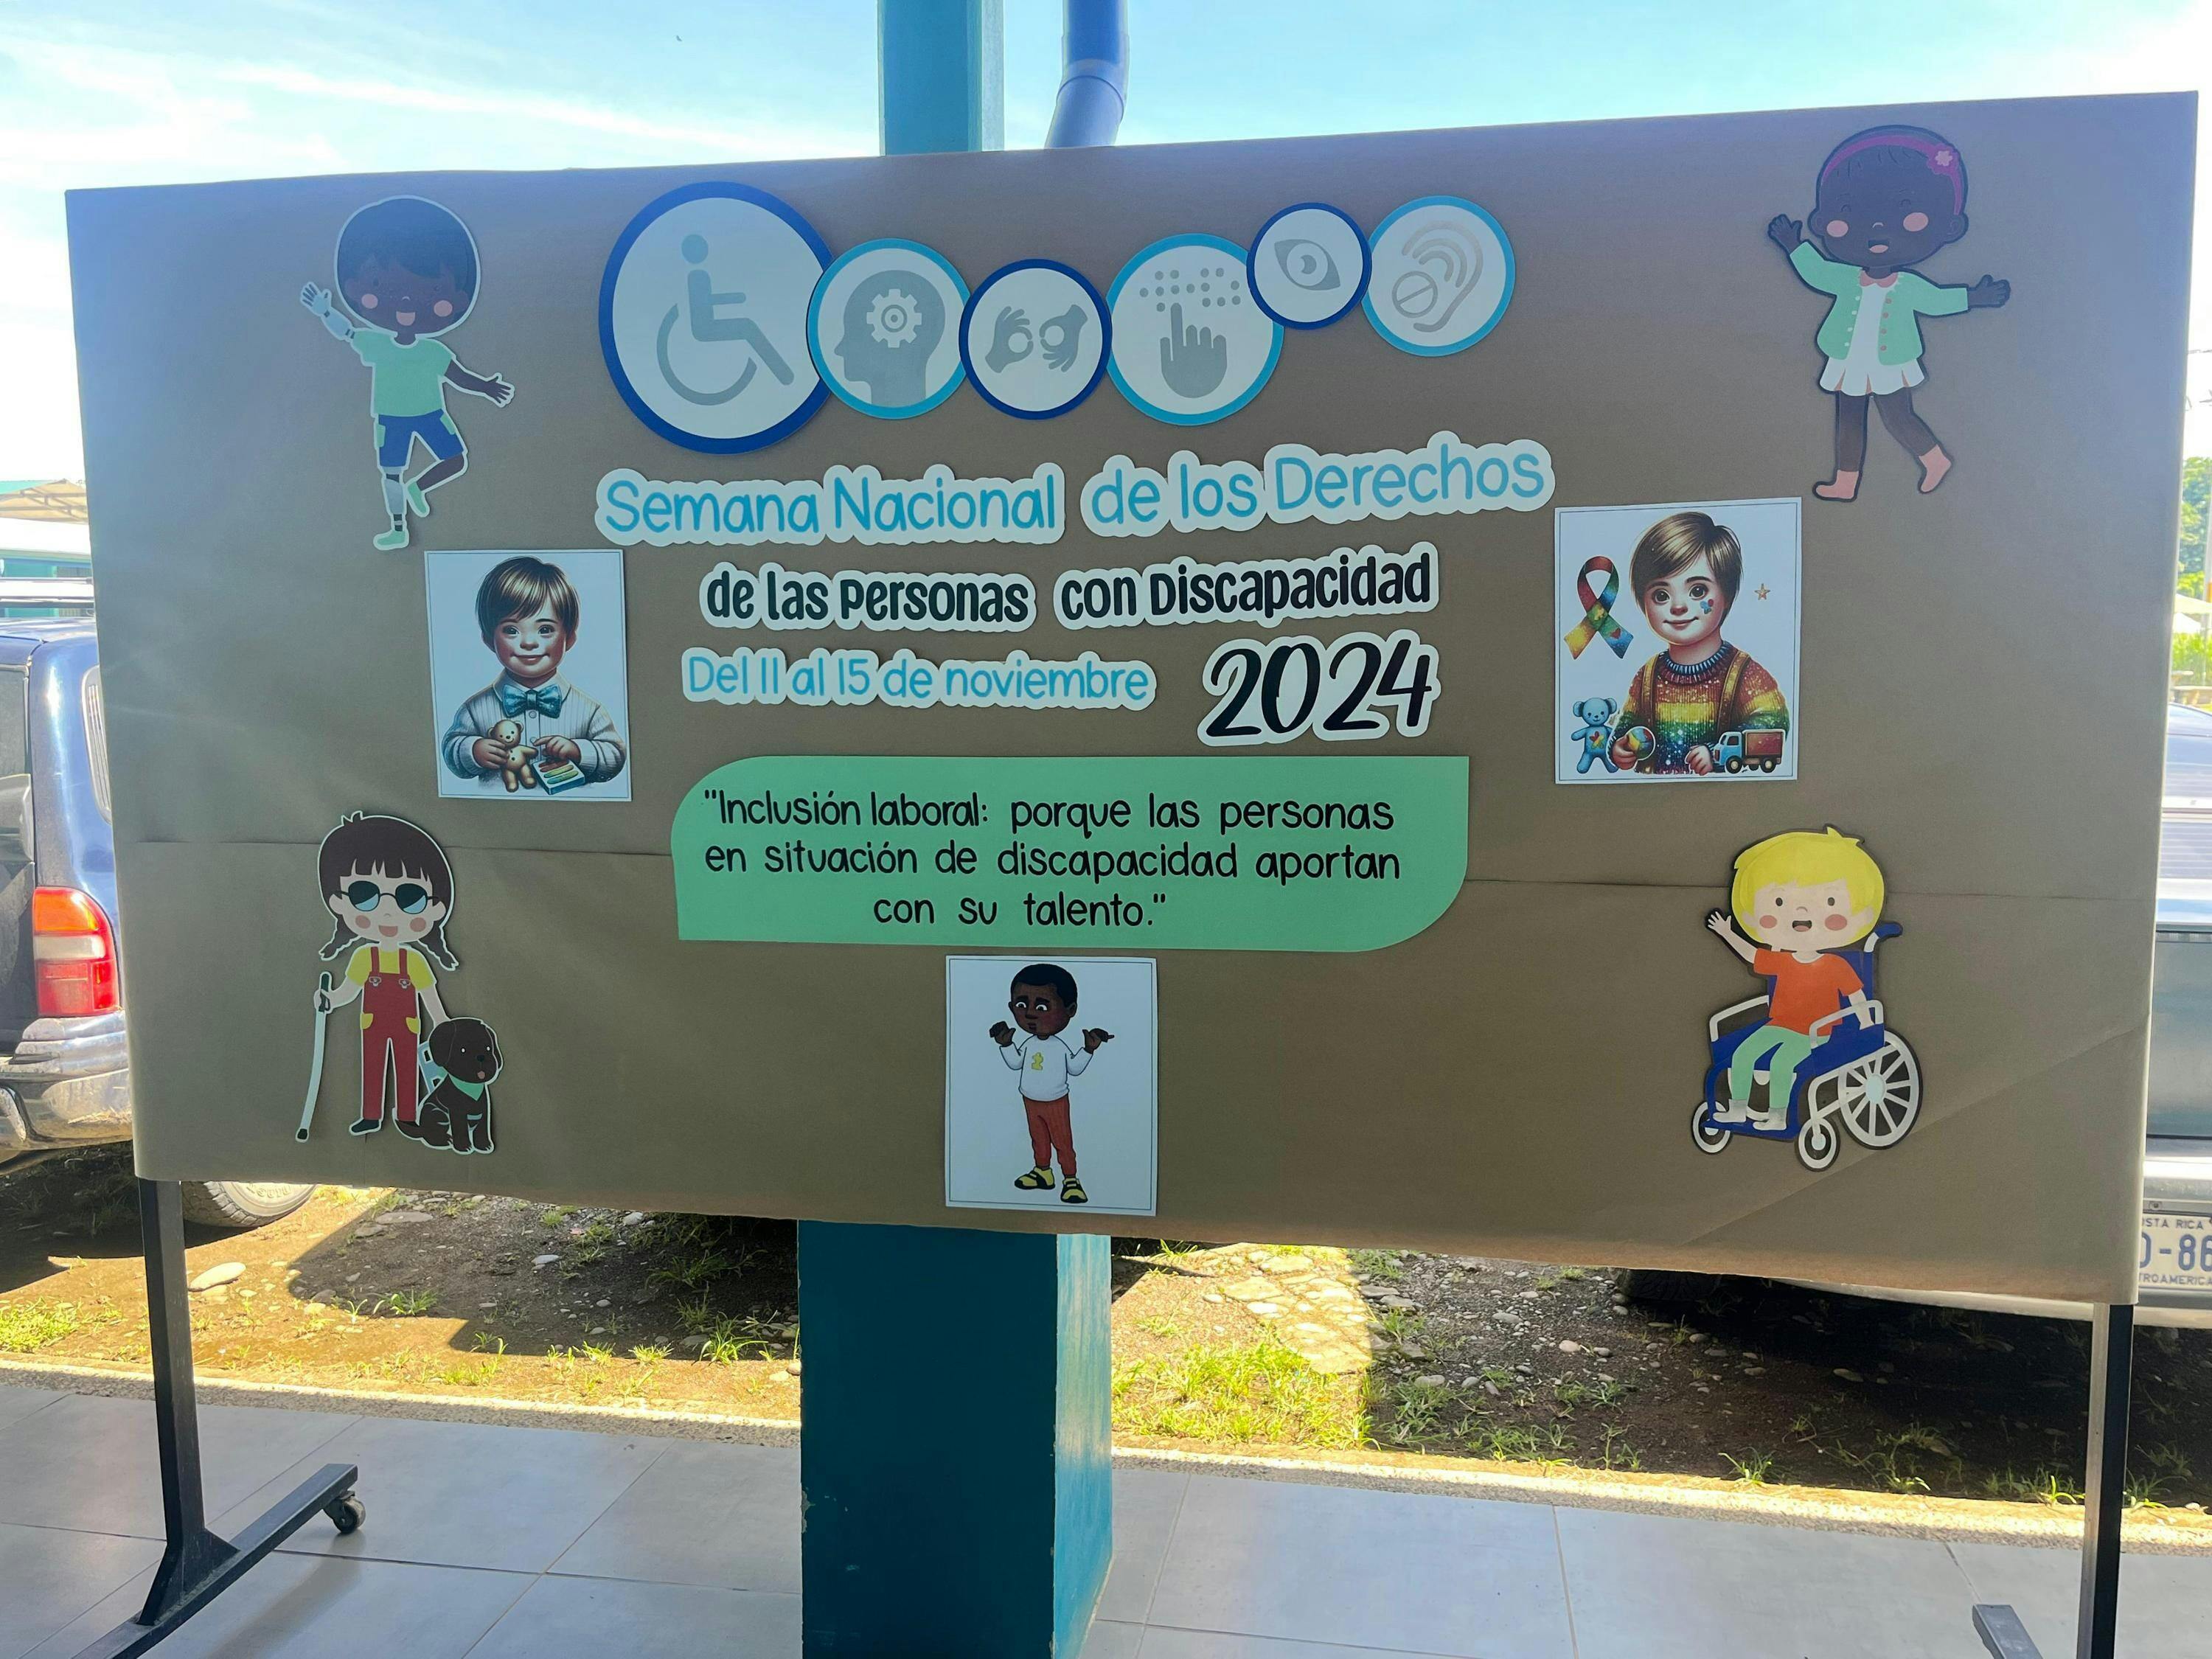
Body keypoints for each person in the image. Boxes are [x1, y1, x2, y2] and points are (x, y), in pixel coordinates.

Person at [1767, 125, 2009, 501]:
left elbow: (1937, 301)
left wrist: (1975, 298)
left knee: (1897, 415)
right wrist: (1794, 246)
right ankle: (1845, 481)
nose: (1877, 227)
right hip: (1848, 358)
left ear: (1950, 226)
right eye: (1850, 212)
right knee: (1849, 418)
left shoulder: (1908, 285)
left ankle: (1934, 459)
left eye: (1903, 212)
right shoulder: (1846, 278)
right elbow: (1817, 273)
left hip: (1889, 361)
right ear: (1822, 223)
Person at [299, 196, 515, 550]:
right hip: (391, 419)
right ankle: (398, 527)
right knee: (391, 473)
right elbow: (347, 333)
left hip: (431, 414)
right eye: (387, 289)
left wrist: (487, 388)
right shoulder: (376, 343)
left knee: (455, 459)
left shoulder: (434, 351)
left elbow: (459, 377)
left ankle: (418, 487)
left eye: (430, 292)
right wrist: (325, 312)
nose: (405, 303)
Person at [1704, 828, 1885, 1127]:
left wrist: (1866, 1022)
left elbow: (1855, 995)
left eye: (1828, 901)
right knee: (1743, 1054)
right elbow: (1753, 955)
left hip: (1815, 1032)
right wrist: (1727, 933)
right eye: (1780, 902)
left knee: (1782, 1063)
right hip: (1779, 1025)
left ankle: (1777, 1116)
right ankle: (1738, 1109)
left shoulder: (1835, 964)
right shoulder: (1783, 961)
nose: (1801, 911)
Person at [1607, 512, 1788, 776]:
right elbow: (1629, 722)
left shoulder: (1745, 674)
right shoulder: (1647, 675)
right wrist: (1620, 747)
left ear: (1726, 595)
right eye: (1661, 595)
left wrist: (1716, 754)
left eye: (1698, 591)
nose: (1678, 606)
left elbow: (1773, 721)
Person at [315, 813, 456, 1140]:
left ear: (435, 909)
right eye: (365, 895)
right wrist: (329, 999)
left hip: (408, 1026)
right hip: (373, 1024)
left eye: (410, 899)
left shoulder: (415, 960)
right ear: (339, 903)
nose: (389, 912)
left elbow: (431, 999)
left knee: (407, 1067)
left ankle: (408, 1115)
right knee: (372, 1066)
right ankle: (370, 1115)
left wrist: (445, 1027)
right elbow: (349, 991)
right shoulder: (365, 957)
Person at [442, 557, 627, 794]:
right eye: (511, 630)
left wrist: (579, 751)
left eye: (545, 629)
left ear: (569, 638)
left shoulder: (589, 710)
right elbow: (451, 751)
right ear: (489, 639)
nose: (529, 642)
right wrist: (472, 750)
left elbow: (615, 756)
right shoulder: (474, 709)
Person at [990, 963, 1113, 1206]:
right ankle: (1043, 1172)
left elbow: (1074, 1068)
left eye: (1042, 1007)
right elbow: (1016, 1063)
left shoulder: (1059, 1047)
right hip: (1030, 1100)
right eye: (1021, 1005)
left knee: (1062, 1140)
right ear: (1011, 1007)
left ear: (1070, 1010)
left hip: (1055, 1102)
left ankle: (1071, 1180)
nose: (1031, 1014)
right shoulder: (1029, 1044)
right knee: (1039, 1138)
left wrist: (1089, 1049)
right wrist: (1006, 1045)